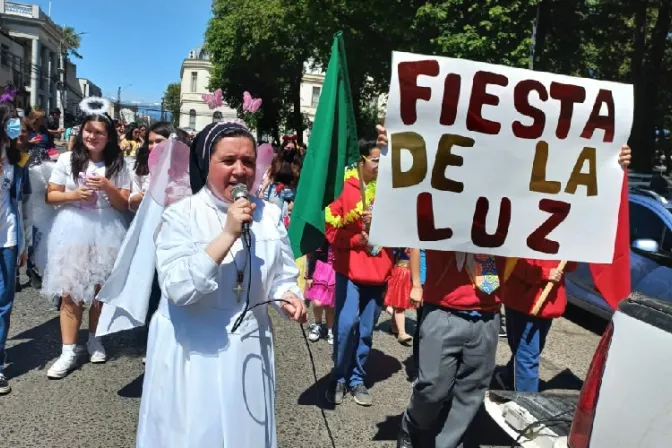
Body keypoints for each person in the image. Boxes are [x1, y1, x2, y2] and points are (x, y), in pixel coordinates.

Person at [373, 124, 634, 448]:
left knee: (468, 397)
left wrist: (609, 167)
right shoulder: (442, 194)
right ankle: (413, 427)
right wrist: (392, 150)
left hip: (487, 317)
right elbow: (403, 194)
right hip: (443, 311)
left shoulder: (516, 208)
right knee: (432, 389)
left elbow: (569, 210)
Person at [136, 121, 307, 448]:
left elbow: (282, 274)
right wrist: (227, 234)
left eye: (247, 161)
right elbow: (179, 289)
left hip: (249, 345)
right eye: (228, 161)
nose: (240, 170)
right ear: (205, 163)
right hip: (194, 348)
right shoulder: (181, 215)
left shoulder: (268, 215)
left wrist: (288, 297)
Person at [42, 98, 131, 379]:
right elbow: (50, 195)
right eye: (88, 130)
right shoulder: (68, 160)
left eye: (99, 133)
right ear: (81, 132)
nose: (92, 136)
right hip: (74, 225)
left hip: (107, 227)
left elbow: (124, 204)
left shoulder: (118, 164)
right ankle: (68, 350)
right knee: (70, 290)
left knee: (98, 290)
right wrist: (73, 195)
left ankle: (95, 338)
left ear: (109, 137)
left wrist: (107, 186)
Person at [325, 139, 394, 407]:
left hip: (378, 273)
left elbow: (403, 232)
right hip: (350, 271)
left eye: (383, 161)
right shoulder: (343, 188)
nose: (380, 166)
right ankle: (338, 376)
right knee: (345, 326)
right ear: (361, 160)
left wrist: (378, 226)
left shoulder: (392, 190)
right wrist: (356, 240)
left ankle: (356, 379)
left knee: (366, 331)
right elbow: (331, 232)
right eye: (376, 160)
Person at [497, 258, 577, 392]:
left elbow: (570, 266)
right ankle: (526, 403)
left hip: (548, 303)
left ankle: (509, 380)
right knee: (527, 356)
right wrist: (544, 273)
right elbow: (512, 264)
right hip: (524, 302)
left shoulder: (564, 239)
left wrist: (573, 252)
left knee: (529, 351)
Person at [0, 103, 31, 395]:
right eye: (11, 123)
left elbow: (20, 204)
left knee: (4, 304)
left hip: (7, 239)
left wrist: (23, 243)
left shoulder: (18, 160)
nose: (17, 129)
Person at [304, 239, 336, 344]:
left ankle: (330, 329)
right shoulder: (321, 237)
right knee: (317, 303)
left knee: (330, 305)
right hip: (321, 269)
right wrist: (309, 276)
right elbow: (313, 255)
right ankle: (318, 324)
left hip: (335, 271)